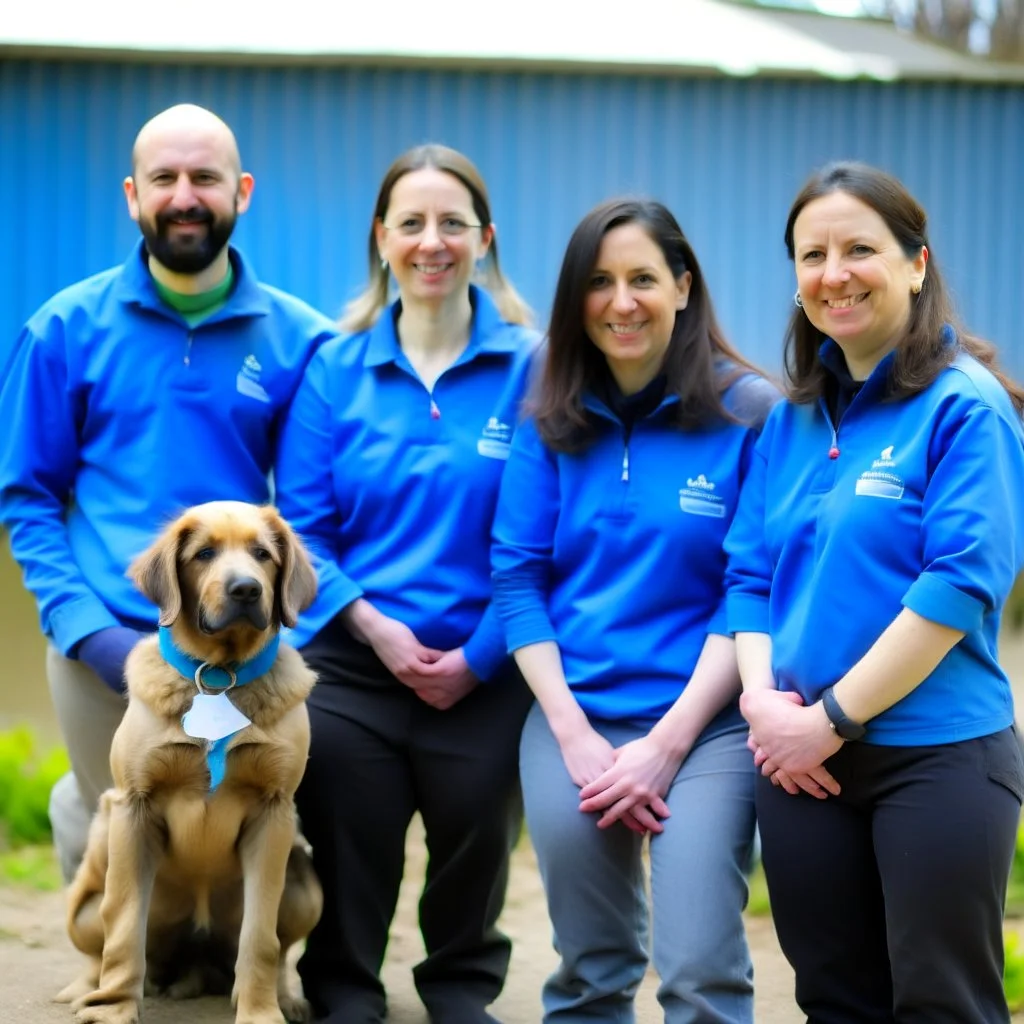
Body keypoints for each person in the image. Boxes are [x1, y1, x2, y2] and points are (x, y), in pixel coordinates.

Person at [0, 103, 337, 883]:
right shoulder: (63, 330)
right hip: (107, 640)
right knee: (114, 814)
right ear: (133, 195)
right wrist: (88, 632)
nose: (185, 195)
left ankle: (240, 969)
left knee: (257, 817)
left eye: (206, 178)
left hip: (250, 644)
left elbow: (313, 508)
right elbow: (28, 500)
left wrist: (292, 624)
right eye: (164, 178)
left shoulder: (302, 341)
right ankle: (127, 971)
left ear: (242, 191)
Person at [724, 161, 1024, 1023]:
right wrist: (767, 712)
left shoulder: (965, 408)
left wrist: (826, 722)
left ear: (917, 263)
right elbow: (749, 578)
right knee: (833, 999)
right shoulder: (789, 420)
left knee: (942, 1002)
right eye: (812, 255)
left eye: (860, 248)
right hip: (801, 767)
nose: (834, 273)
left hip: (936, 759)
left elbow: (956, 586)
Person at [490, 197, 779, 1023]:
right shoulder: (548, 416)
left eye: (644, 278)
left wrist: (667, 744)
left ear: (683, 288)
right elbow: (517, 578)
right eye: (600, 281)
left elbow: (748, 586)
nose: (622, 301)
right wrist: (574, 732)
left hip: (708, 722)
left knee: (697, 966)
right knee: (591, 964)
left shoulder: (749, 413)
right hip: (572, 715)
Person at [273, 143, 538, 1024]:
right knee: (353, 837)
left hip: (490, 658)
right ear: (381, 238)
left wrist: (481, 654)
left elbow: (551, 530)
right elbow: (304, 530)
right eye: (412, 224)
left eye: (452, 224)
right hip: (352, 661)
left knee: (475, 835)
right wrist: (376, 628)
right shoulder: (333, 368)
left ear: (485, 239)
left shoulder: (535, 369)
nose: (433, 242)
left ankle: (460, 989)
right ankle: (345, 987)